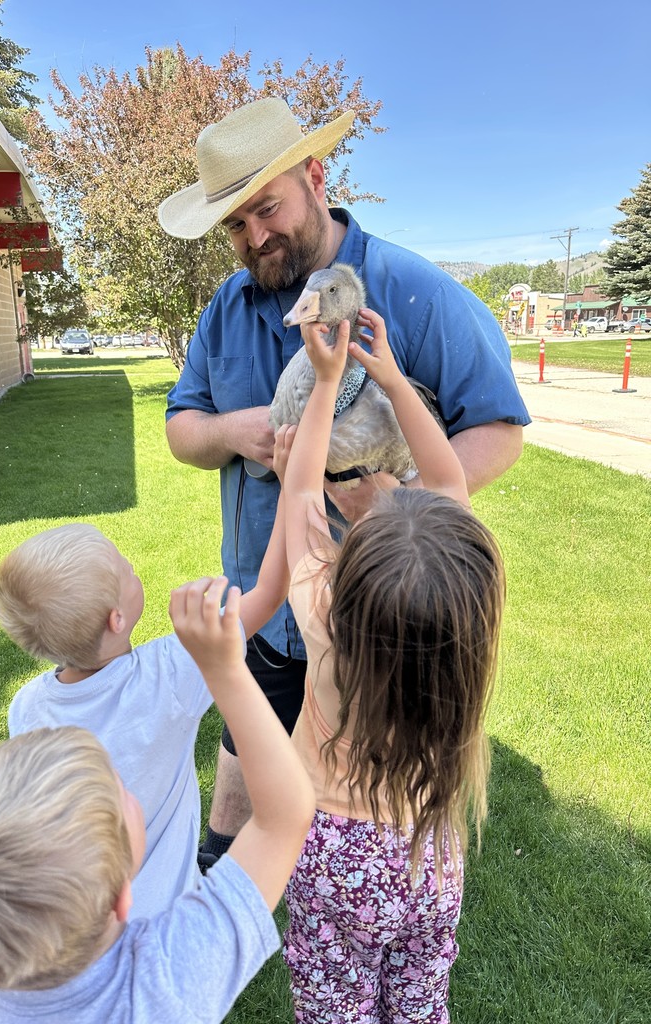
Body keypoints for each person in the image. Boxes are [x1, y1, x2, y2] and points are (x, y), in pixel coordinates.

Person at [159, 96, 528, 865]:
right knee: (244, 758)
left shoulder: (416, 294)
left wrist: (406, 506)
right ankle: (220, 874)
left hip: (370, 613)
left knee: (372, 784)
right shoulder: (222, 312)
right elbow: (180, 430)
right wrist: (233, 432)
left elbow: (497, 428)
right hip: (261, 603)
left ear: (316, 177)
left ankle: (370, 883)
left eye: (267, 208)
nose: (255, 236)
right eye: (234, 224)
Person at [0, 579, 316, 1024]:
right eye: (121, 792)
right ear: (122, 900)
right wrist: (224, 670)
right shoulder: (167, 976)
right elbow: (284, 816)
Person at [275, 308, 506, 1022]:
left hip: (333, 854)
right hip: (432, 848)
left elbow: (302, 496)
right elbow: (445, 481)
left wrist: (324, 386)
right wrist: (394, 380)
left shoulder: (324, 618)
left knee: (335, 1002)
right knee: (418, 997)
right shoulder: (472, 603)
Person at [0, 519, 287, 913]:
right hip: (169, 919)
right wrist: (293, 486)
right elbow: (267, 594)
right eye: (124, 567)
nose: (132, 566)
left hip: (89, 920)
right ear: (116, 619)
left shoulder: (27, 707)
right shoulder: (169, 675)